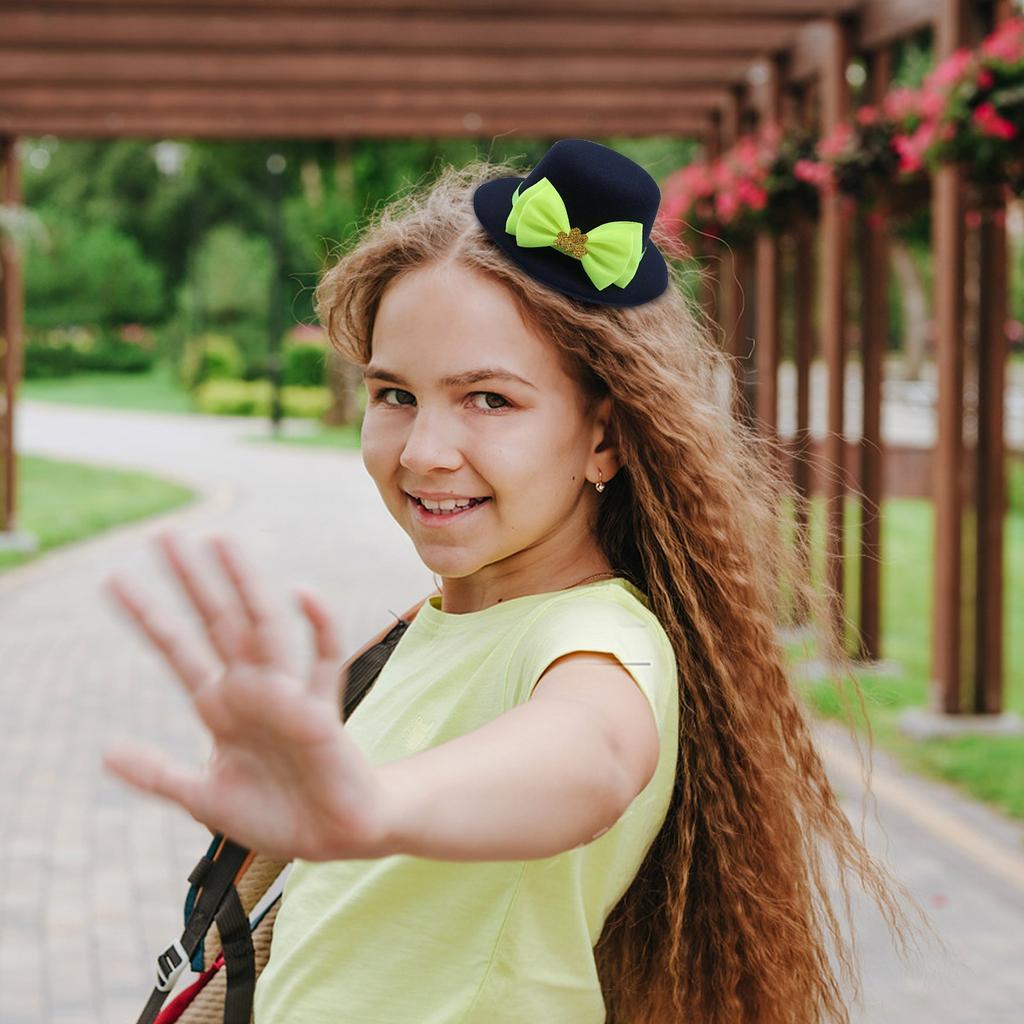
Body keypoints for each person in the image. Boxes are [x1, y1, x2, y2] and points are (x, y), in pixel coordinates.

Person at [103, 139, 927, 1023]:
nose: (424, 452)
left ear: (606, 438)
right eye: (395, 395)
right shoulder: (432, 626)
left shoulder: (598, 643)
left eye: (489, 400)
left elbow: (590, 753)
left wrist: (370, 803)